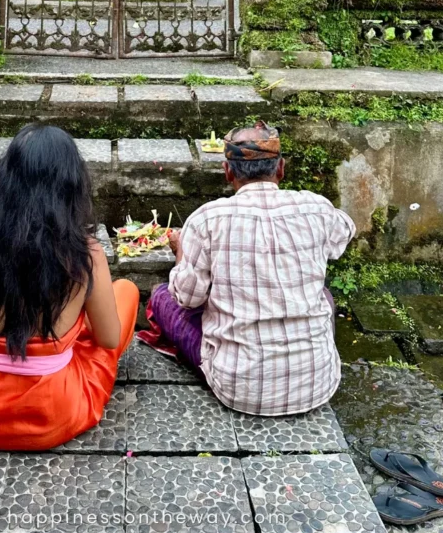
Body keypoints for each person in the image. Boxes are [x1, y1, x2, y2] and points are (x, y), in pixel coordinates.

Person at [0, 124, 139, 450]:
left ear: (8, 179)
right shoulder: (86, 254)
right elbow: (108, 339)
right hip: (54, 414)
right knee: (126, 290)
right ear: (72, 184)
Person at [144, 121, 356, 416]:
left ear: (227, 171)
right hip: (319, 383)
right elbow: (345, 232)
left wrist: (181, 253)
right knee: (325, 296)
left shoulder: (207, 219)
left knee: (161, 296)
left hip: (238, 388)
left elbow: (187, 299)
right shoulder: (317, 208)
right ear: (281, 169)